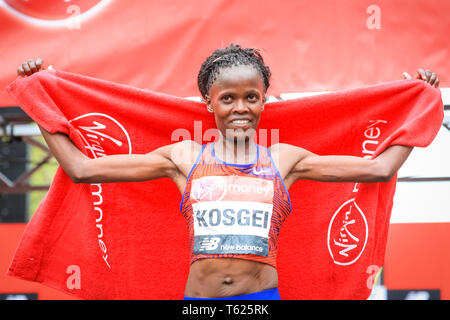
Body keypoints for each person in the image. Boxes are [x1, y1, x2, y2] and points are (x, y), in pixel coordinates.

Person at [17, 44, 440, 300]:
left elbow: (380, 169)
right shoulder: (183, 158)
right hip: (199, 301)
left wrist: (421, 104)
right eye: (229, 98)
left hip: (261, 299)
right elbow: (81, 169)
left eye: (251, 97)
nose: (241, 108)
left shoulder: (285, 159)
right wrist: (39, 100)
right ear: (209, 103)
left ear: (264, 100)